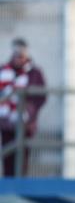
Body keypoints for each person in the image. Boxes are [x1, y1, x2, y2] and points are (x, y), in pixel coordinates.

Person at [0, 38, 46, 177]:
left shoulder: (35, 73)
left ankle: (20, 184)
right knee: (7, 157)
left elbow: (41, 96)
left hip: (25, 124)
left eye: (21, 55)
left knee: (22, 157)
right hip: (6, 123)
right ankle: (9, 187)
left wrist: (29, 111)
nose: (18, 58)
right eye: (16, 54)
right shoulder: (3, 70)